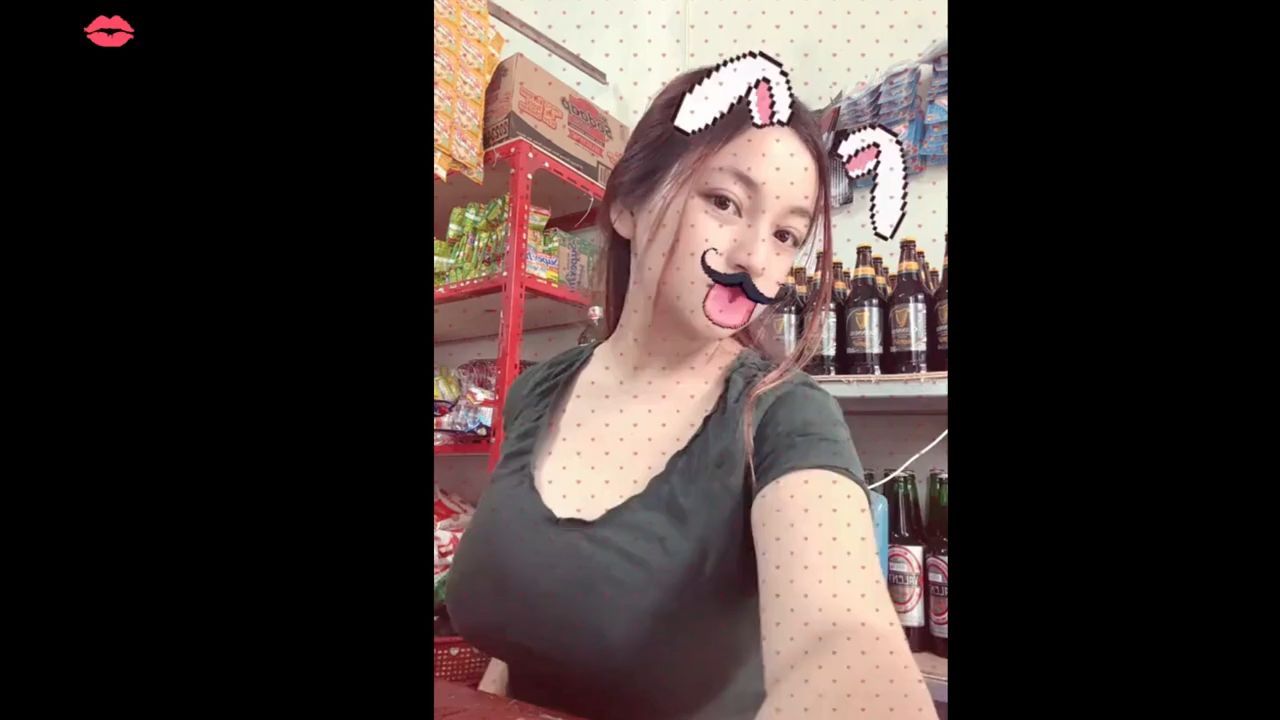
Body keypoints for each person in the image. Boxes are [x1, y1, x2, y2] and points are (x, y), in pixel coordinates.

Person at [447, 54, 935, 720]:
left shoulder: (785, 415)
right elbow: (524, 637)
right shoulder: (537, 394)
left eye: (785, 234)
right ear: (628, 204)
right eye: (724, 202)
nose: (753, 260)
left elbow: (845, 643)